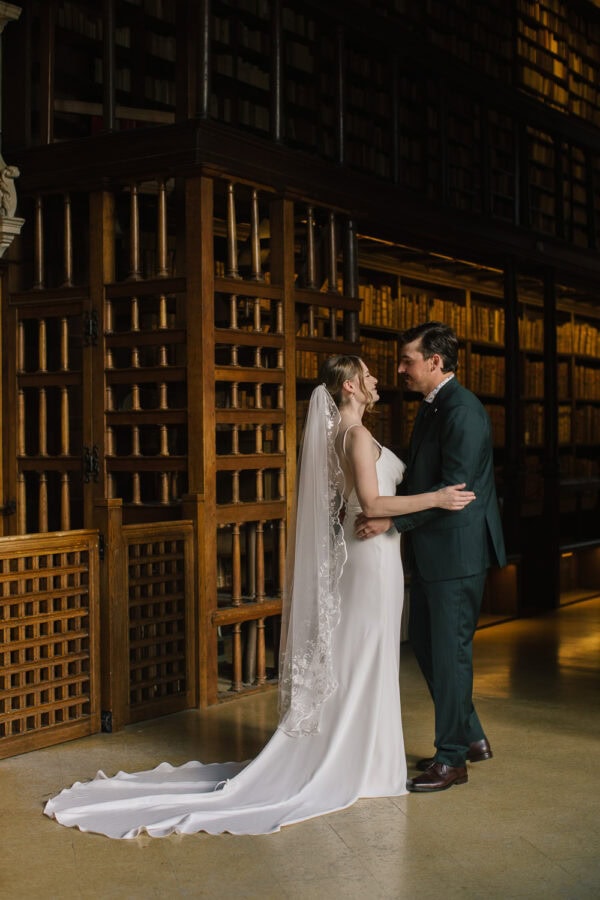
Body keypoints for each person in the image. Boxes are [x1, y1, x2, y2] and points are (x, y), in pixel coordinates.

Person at [43, 355, 475, 838]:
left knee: (360, 655)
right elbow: (371, 503)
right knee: (364, 654)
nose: (377, 379)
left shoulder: (342, 434)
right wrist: (438, 498)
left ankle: (365, 757)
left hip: (369, 553)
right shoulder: (354, 435)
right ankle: (362, 762)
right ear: (351, 387)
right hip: (371, 559)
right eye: (368, 374)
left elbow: (355, 504)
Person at [356, 322, 507, 793]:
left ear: (435, 362)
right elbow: (422, 477)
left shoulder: (462, 411)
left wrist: (392, 521)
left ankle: (451, 760)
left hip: (456, 552)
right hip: (434, 550)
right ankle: (471, 736)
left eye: (408, 360)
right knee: (425, 642)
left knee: (450, 653)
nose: (400, 369)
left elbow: (453, 492)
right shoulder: (433, 405)